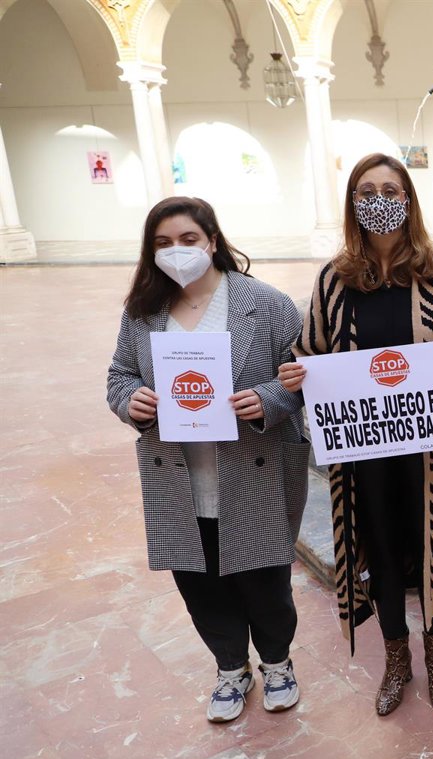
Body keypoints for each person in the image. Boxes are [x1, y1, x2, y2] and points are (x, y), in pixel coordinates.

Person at [279, 153, 433, 714]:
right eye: (367, 190)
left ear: (408, 200)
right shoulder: (334, 279)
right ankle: (395, 655)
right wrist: (296, 375)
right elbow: (308, 354)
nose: (379, 200)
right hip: (363, 452)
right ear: (353, 202)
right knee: (376, 547)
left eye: (391, 190)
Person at [106, 196, 308, 723]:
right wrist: (130, 400)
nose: (176, 251)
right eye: (163, 243)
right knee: (199, 581)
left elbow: (301, 376)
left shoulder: (266, 304)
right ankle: (230, 668)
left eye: (188, 239)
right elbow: (120, 374)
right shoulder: (143, 312)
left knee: (265, 580)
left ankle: (277, 662)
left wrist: (268, 399)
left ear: (212, 241)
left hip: (253, 467)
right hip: (177, 474)